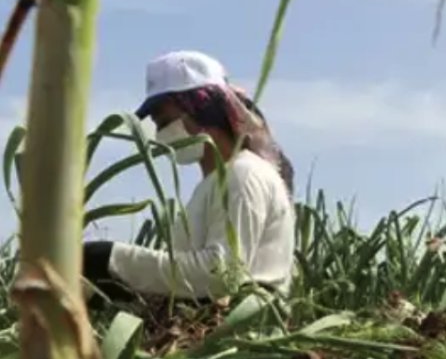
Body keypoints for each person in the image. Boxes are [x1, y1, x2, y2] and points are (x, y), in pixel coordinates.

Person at [82, 50, 296, 303]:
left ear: (204, 110)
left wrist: (113, 258)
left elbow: (224, 273)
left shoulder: (244, 174)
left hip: (242, 328)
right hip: (211, 325)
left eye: (165, 121)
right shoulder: (213, 183)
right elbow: (186, 281)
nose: (160, 135)